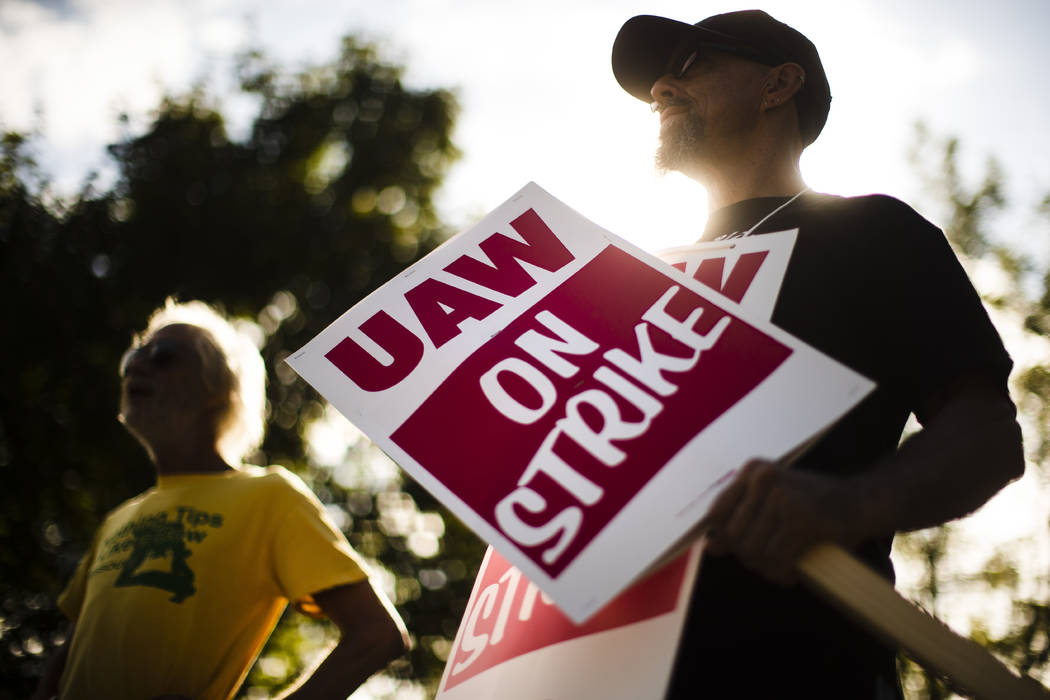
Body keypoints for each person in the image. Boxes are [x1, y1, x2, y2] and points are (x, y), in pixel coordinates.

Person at [611, 10, 1024, 699]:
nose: (660, 89)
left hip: (807, 672)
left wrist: (850, 503)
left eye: (690, 64)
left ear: (779, 84)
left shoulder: (871, 234)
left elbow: (986, 439)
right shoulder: (635, 279)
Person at [32, 298, 409, 700]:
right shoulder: (116, 519)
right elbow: (69, 653)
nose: (137, 367)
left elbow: (377, 635)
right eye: (132, 358)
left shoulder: (270, 498)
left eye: (164, 355)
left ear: (218, 387)